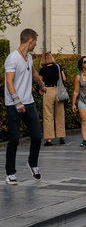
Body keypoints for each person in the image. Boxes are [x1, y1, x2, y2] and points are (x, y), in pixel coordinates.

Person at [4, 28, 46, 185]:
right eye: (35, 41)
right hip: (14, 105)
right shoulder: (12, 59)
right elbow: (9, 82)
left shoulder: (29, 57)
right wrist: (17, 101)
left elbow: (33, 73)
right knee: (14, 139)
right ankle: (11, 173)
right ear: (30, 41)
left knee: (37, 136)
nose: (36, 45)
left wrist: (41, 85)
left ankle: (33, 164)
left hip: (29, 103)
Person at [39, 52, 66, 146]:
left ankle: (49, 139)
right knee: (60, 114)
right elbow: (64, 79)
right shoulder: (58, 67)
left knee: (48, 115)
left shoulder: (43, 70)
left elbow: (40, 81)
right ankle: (61, 137)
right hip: (58, 91)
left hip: (48, 90)